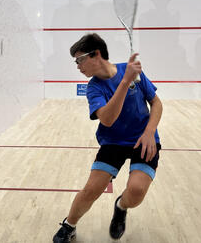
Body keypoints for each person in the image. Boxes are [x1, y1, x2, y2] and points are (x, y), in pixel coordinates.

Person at [53, 33, 163, 242]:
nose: (77, 66)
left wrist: (150, 131)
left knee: (137, 191)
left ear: (95, 55)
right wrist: (125, 82)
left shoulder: (130, 71)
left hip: (144, 138)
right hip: (113, 141)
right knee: (92, 189)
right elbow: (108, 120)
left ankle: (121, 207)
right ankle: (69, 225)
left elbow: (156, 103)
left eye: (79, 59)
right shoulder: (94, 87)